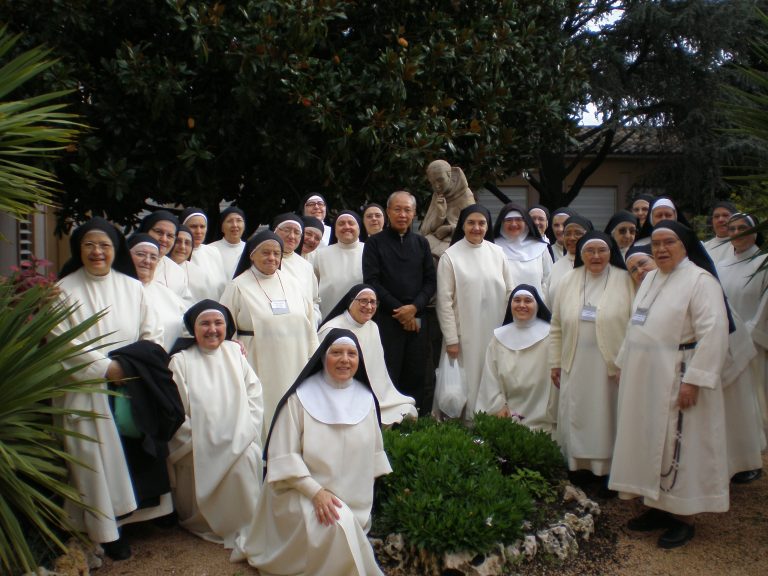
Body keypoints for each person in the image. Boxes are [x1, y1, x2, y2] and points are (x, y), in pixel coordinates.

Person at [609, 220, 731, 549]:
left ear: (685, 245)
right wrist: (623, 362)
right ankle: (657, 506)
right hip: (646, 376)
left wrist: (694, 381)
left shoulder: (700, 281)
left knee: (679, 445)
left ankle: (684, 517)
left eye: (669, 242)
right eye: (656, 244)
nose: (661, 249)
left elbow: (714, 333)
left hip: (680, 374)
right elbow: (637, 325)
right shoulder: (651, 280)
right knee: (650, 441)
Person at [232, 329, 391, 575]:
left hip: (353, 498)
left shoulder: (366, 398)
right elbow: (283, 456)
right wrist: (316, 492)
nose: (345, 360)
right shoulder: (300, 398)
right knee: (335, 526)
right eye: (336, 353)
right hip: (299, 492)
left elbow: (374, 455)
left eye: (351, 354)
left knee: (343, 523)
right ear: (323, 357)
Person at [54, 217, 167, 560]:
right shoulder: (63, 290)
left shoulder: (132, 287)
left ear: (115, 249)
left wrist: (132, 369)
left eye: (104, 245)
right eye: (89, 245)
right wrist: (106, 369)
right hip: (83, 387)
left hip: (130, 382)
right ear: (79, 249)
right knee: (91, 458)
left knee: (127, 457)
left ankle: (129, 518)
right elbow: (63, 344)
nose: (97, 252)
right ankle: (106, 531)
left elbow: (153, 334)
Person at [168, 300, 264, 548]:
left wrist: (245, 433)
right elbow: (176, 411)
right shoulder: (180, 361)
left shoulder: (235, 353)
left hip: (239, 438)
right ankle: (206, 520)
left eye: (218, 323)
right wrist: (202, 441)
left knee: (245, 458)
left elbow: (254, 396)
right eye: (205, 323)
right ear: (193, 328)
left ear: (226, 326)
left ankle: (246, 522)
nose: (212, 329)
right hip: (196, 444)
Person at [549, 231, 633, 480]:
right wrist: (555, 362)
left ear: (611, 252)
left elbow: (635, 327)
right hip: (574, 362)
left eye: (602, 251)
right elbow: (556, 325)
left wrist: (625, 362)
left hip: (611, 365)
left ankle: (609, 471)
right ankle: (578, 467)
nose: (596, 256)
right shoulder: (568, 280)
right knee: (578, 414)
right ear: (581, 253)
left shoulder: (625, 280)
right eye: (589, 251)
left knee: (607, 416)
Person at [220, 230, 318, 436]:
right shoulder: (237, 286)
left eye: (276, 253)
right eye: (266, 253)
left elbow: (308, 321)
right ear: (251, 255)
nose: (272, 258)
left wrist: (314, 356)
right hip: (257, 361)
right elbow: (224, 328)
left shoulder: (293, 283)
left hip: (296, 360)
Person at [436, 204, 515, 419]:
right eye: (471, 222)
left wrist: (510, 329)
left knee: (492, 377)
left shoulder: (498, 252)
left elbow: (510, 291)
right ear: (462, 225)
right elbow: (444, 302)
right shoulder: (450, 257)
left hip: (495, 330)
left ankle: (491, 421)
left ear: (488, 226)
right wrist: (451, 338)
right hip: (464, 335)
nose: (476, 228)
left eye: (481, 223)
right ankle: (465, 425)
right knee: (465, 381)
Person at [363, 191, 436, 413]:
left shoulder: (421, 243)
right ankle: (389, 425)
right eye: (397, 209)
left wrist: (414, 308)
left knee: (417, 374)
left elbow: (431, 281)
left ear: (414, 213)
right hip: (387, 319)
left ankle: (414, 425)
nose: (402, 214)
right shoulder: (375, 244)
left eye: (407, 210)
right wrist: (401, 311)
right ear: (388, 212)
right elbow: (372, 281)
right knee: (389, 372)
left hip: (417, 320)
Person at [319, 284, 418, 425]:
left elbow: (378, 371)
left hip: (376, 394)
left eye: (373, 302)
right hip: (340, 392)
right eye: (364, 301)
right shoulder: (332, 329)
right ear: (351, 302)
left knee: (406, 408)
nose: (369, 306)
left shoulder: (373, 327)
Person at [716, 212, 767, 481]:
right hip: (726, 345)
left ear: (755, 232)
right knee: (734, 405)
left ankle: (753, 459)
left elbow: (764, 307)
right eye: (732, 228)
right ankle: (735, 456)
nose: (737, 233)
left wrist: (748, 336)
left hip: (754, 345)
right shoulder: (721, 267)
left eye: (743, 228)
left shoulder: (764, 264)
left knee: (754, 403)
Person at [476, 284, 555, 432]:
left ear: (537, 305)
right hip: (507, 411)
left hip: (542, 414)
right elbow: (490, 378)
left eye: (528, 301)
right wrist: (499, 405)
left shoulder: (550, 336)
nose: (522, 305)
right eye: (517, 300)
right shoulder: (498, 339)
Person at [129, 233, 187, 352]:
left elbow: (187, 329)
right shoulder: (119, 290)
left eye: (153, 257)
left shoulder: (168, 295)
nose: (147, 261)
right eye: (140, 254)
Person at [493, 202, 552, 301]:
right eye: (509, 220)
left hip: (536, 308)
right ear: (502, 223)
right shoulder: (494, 247)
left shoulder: (540, 247)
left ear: (526, 222)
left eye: (518, 219)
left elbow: (549, 280)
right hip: (503, 309)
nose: (513, 224)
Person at [312, 210, 365, 319]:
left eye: (351, 223)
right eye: (341, 224)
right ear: (335, 230)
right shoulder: (321, 254)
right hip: (329, 316)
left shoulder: (370, 251)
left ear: (359, 227)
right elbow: (313, 289)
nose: (346, 227)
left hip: (363, 316)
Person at [271, 213, 321, 327]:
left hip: (302, 328)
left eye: (297, 232)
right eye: (287, 230)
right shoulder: (262, 261)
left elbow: (314, 301)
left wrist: (314, 319)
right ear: (275, 231)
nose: (292, 236)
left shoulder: (306, 266)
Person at [419, 159, 475, 259]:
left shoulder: (465, 195)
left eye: (440, 180)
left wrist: (449, 229)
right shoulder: (437, 195)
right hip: (437, 239)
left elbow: (474, 227)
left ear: (449, 175)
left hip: (458, 241)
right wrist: (441, 214)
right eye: (432, 182)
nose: (437, 186)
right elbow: (425, 230)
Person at [138, 210, 192, 303]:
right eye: (159, 232)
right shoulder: (126, 264)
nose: (164, 239)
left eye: (170, 235)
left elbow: (184, 305)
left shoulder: (177, 272)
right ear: (145, 231)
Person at [179, 207, 227, 298]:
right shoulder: (177, 254)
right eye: (193, 226)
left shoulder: (213, 251)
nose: (199, 231)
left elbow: (221, 287)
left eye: (202, 226)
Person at [547, 214, 593, 303]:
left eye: (578, 233)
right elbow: (548, 303)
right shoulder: (556, 267)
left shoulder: (597, 265)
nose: (572, 238)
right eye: (567, 233)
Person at [210, 206, 247, 280]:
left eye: (239, 220)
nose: (235, 225)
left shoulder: (251, 249)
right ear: (222, 227)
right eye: (229, 221)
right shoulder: (210, 249)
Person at [703, 201, 738, 265]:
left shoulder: (741, 244)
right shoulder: (704, 247)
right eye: (716, 216)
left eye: (725, 215)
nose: (720, 220)